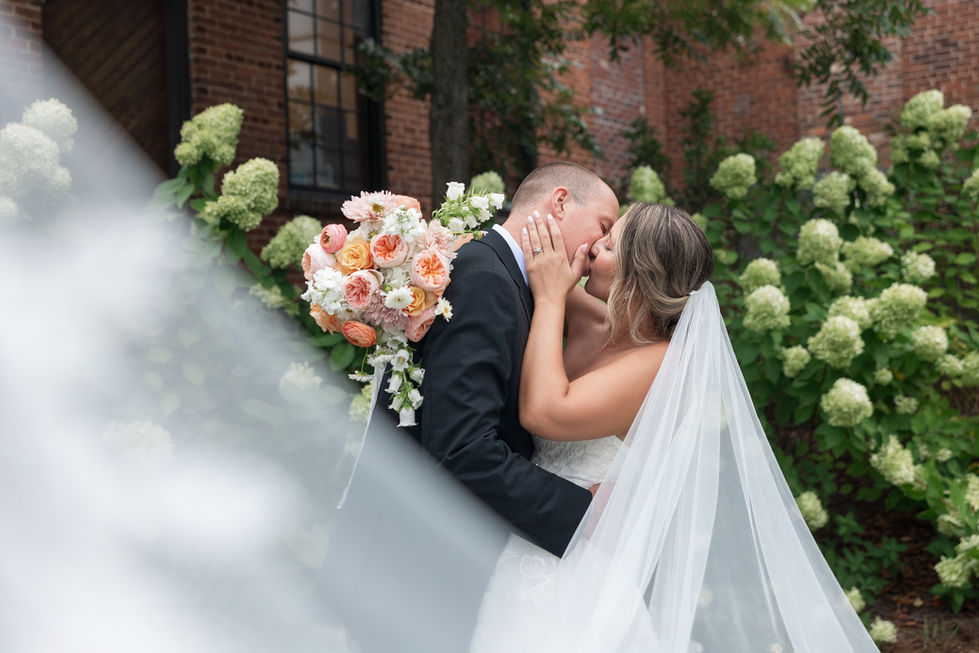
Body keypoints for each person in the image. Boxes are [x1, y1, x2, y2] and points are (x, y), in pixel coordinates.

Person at [471, 203, 880, 652]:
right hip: (525, 531)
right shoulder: (596, 321)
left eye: (609, 245)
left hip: (570, 569)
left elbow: (543, 412)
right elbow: (524, 267)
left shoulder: (665, 363)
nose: (592, 250)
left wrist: (551, 298)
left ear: (639, 275)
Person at [317, 162, 620, 652]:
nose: (597, 250)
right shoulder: (487, 281)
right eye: (602, 227)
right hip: (413, 584)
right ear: (561, 203)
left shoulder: (496, 271)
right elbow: (462, 448)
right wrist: (584, 510)